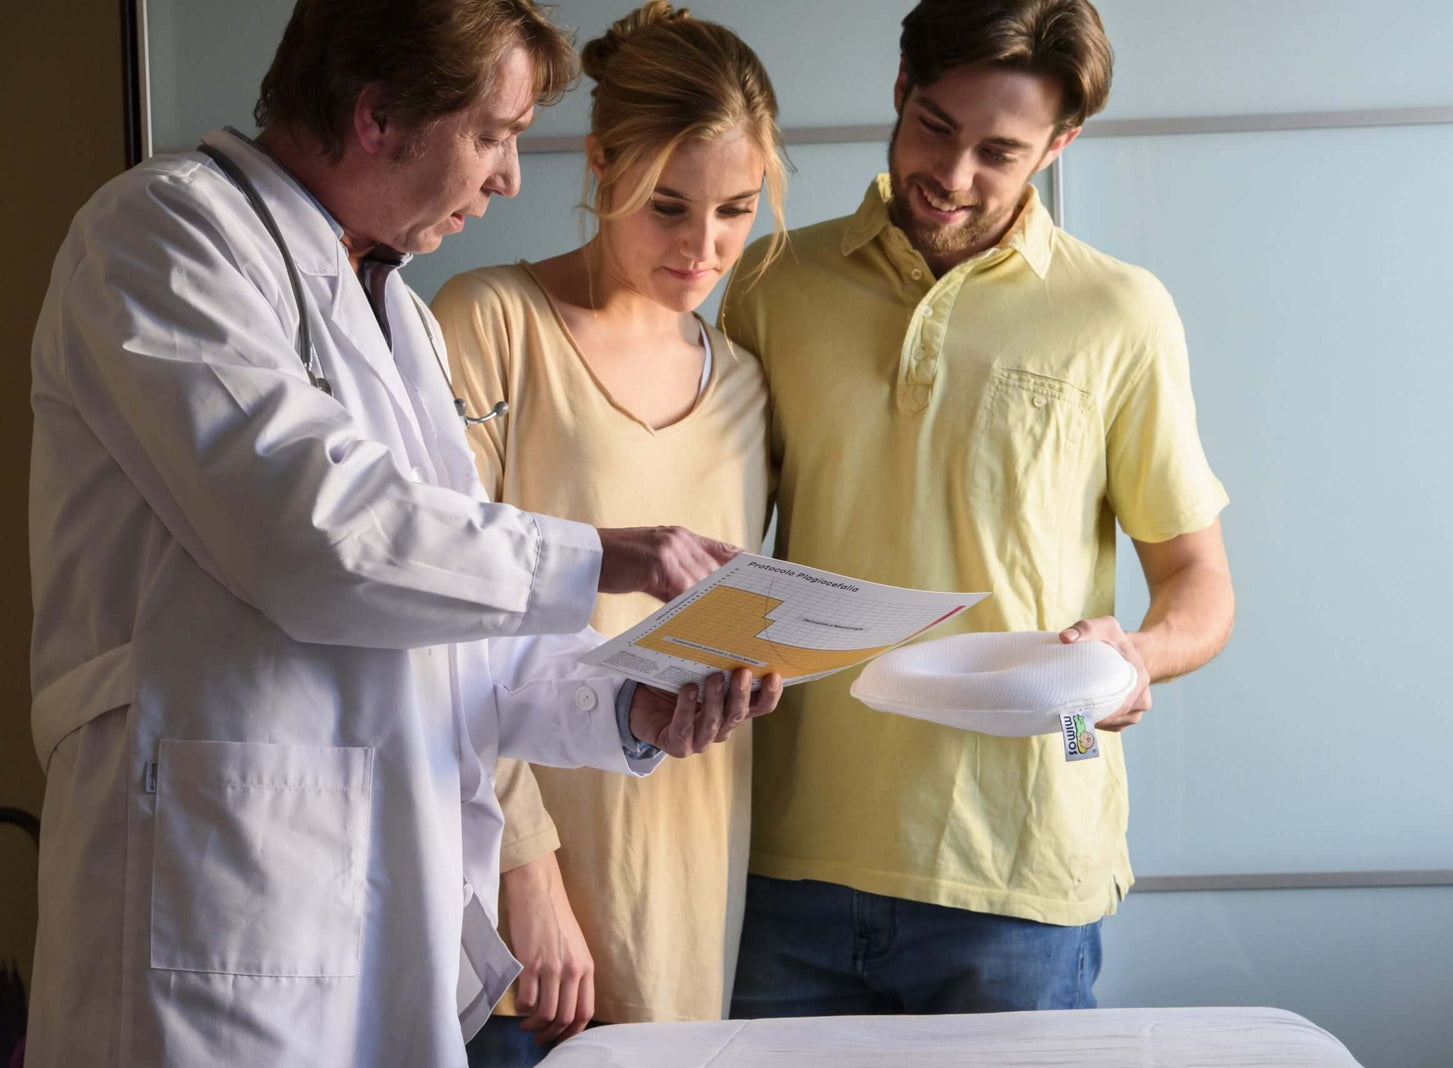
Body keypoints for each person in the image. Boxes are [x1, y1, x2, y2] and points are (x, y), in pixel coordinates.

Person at [24, 2, 781, 1065]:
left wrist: (629, 705)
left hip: (375, 898)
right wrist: (611, 552)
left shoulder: (397, 313)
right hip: (217, 903)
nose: (510, 177)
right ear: (378, 116)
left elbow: (458, 631)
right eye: (492, 134)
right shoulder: (160, 234)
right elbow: (319, 540)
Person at [721, 0, 1235, 1018]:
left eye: (999, 152)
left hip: (1017, 872)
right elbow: (719, 544)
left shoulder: (1119, 312)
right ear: (901, 88)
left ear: (1060, 145)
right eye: (934, 128)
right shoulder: (773, 281)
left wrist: (1137, 655)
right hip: (786, 856)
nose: (952, 177)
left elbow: (1198, 582)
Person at [431, 5, 786, 1064]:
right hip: (514, 901)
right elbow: (438, 614)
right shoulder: (488, 324)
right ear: (600, 162)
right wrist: (525, 875)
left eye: (736, 210)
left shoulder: (745, 387)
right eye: (669, 205)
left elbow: (716, 618)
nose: (703, 248)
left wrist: (761, 667)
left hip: (683, 880)